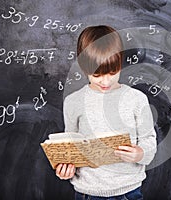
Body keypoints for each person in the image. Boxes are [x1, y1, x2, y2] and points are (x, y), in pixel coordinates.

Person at [55, 25, 157, 200]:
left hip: (128, 192)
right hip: (87, 193)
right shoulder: (73, 102)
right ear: (84, 67)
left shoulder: (136, 99)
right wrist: (65, 169)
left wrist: (140, 153)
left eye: (112, 72)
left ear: (120, 63)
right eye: (97, 75)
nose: (105, 81)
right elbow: (70, 147)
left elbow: (149, 139)